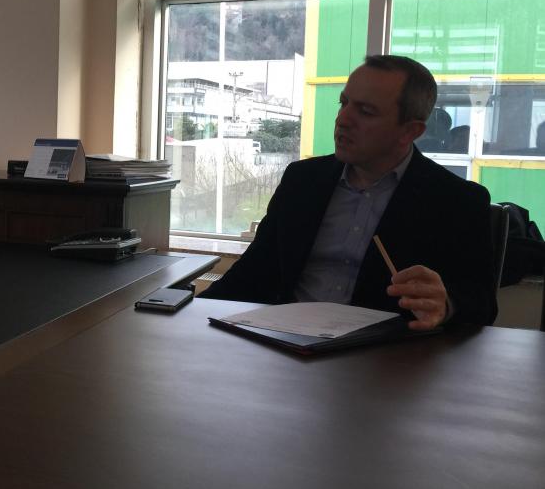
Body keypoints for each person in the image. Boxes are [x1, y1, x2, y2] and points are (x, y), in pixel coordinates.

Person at [202, 55, 496, 328]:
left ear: (409, 131)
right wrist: (190, 312)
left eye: (365, 112)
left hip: (384, 354)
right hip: (285, 341)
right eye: (343, 103)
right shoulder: (302, 180)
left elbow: (481, 304)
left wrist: (446, 305)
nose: (343, 119)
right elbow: (254, 271)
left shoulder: (458, 201)